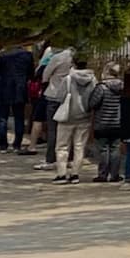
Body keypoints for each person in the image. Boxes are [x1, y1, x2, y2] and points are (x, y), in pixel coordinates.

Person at [50, 54, 98, 183]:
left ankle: (61, 174)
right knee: (79, 146)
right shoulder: (93, 80)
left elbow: (59, 97)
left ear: (73, 63)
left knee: (62, 146)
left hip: (67, 117)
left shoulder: (68, 79)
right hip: (85, 117)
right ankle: (75, 174)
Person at [0, 43, 35, 154]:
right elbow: (31, 73)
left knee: (2, 117)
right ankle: (17, 145)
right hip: (20, 87)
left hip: (4, 86)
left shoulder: (2, 54)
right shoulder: (27, 55)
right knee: (19, 117)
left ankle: (3, 145)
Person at [87, 63, 127, 182]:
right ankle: (115, 175)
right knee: (115, 149)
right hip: (118, 123)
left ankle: (103, 174)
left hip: (102, 123)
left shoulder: (101, 87)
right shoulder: (123, 87)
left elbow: (92, 103)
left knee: (103, 150)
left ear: (106, 72)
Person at [40, 42, 77, 165]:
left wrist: (47, 81)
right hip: (71, 96)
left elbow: (45, 74)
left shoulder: (58, 57)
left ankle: (51, 158)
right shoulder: (76, 57)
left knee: (53, 130)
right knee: (70, 129)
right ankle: (69, 158)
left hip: (54, 94)